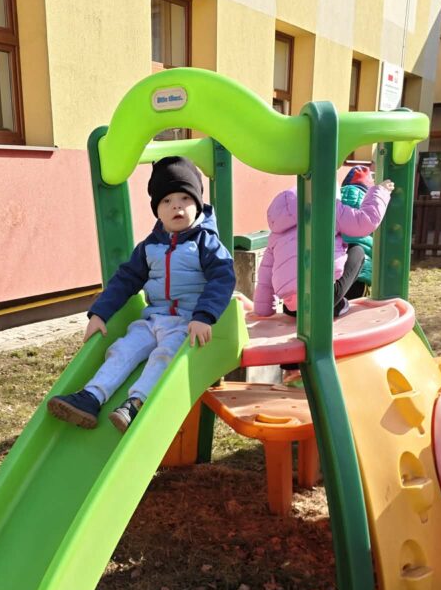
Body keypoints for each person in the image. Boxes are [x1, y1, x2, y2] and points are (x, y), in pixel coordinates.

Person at [47, 156, 235, 432]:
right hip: (152, 319)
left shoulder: (206, 243)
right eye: (167, 201)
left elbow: (222, 277)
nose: (176, 206)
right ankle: (91, 397)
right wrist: (100, 313)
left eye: (185, 198)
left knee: (165, 356)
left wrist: (204, 316)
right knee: (121, 350)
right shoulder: (149, 247)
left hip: (187, 323)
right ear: (157, 210)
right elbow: (125, 280)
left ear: (198, 204)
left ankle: (135, 404)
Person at [253, 178, 394, 319]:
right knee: (357, 250)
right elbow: (364, 222)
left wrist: (263, 310)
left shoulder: (276, 234)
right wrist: (381, 191)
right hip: (326, 297)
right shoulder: (327, 208)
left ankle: (330, 306)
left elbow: (265, 277)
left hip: (292, 308)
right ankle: (334, 306)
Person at [339, 165, 380, 299]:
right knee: (355, 306)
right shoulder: (371, 203)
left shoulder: (336, 199)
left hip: (335, 265)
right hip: (360, 269)